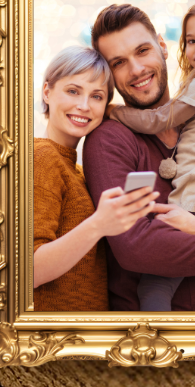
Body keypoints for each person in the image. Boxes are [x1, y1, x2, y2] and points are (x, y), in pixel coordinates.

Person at [82, 3, 195, 313]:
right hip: (158, 336)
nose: (136, 70)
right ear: (109, 75)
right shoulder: (109, 140)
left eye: (143, 51)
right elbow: (136, 247)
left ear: (163, 46)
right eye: (119, 62)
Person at [33, 45, 158, 312]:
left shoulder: (76, 170)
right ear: (47, 91)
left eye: (97, 96)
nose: (84, 105)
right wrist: (98, 225)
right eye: (73, 91)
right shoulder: (41, 157)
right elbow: (25, 271)